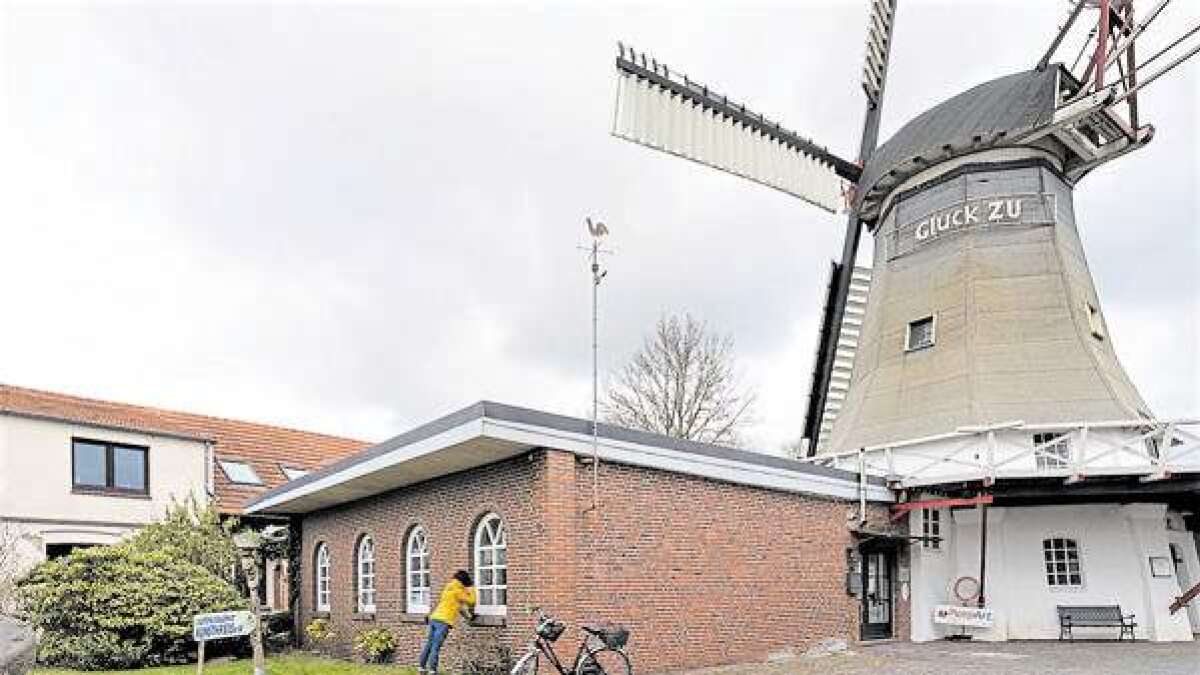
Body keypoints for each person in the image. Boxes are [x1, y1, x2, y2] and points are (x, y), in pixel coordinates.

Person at [418, 569, 477, 674]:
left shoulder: (448, 587)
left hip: (434, 618)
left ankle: (421, 668)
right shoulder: (458, 591)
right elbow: (472, 601)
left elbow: (458, 607)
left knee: (429, 644)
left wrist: (469, 617)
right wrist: (471, 589)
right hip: (443, 621)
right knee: (436, 646)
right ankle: (432, 671)